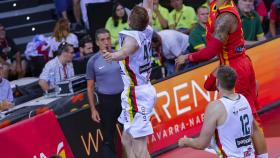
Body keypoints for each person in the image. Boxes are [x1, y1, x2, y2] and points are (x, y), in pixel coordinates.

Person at [175, 0, 267, 156]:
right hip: (230, 62)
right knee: (209, 85)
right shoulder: (215, 4)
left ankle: (261, 155)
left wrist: (187, 57)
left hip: (236, 66)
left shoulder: (225, 17)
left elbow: (209, 52)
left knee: (252, 119)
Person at [101, 0, 155, 157]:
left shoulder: (133, 39)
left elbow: (124, 51)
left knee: (140, 145)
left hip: (136, 94)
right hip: (140, 90)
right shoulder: (148, 28)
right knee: (126, 139)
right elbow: (149, 7)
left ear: (130, 20)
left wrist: (112, 55)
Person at [178, 66, 268, 158]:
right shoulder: (244, 99)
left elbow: (202, 144)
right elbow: (256, 131)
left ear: (217, 82)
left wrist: (185, 141)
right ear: (235, 82)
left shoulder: (215, 107)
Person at [86, 28, 123, 158]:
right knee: (108, 138)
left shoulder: (119, 55)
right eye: (102, 40)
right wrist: (93, 109)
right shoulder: (93, 61)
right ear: (97, 43)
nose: (106, 42)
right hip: (106, 102)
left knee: (131, 132)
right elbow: (90, 87)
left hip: (123, 98)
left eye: (108, 38)